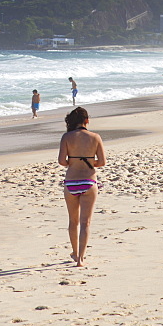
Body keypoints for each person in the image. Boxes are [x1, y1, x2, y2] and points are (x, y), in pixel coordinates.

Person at [58, 107, 106, 267]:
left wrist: (74, 160)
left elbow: (62, 161)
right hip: (89, 182)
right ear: (87, 121)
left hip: (71, 182)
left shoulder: (67, 137)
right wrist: (88, 161)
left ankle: (75, 252)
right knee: (86, 223)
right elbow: (102, 162)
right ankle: (81, 259)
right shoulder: (95, 137)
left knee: (73, 221)